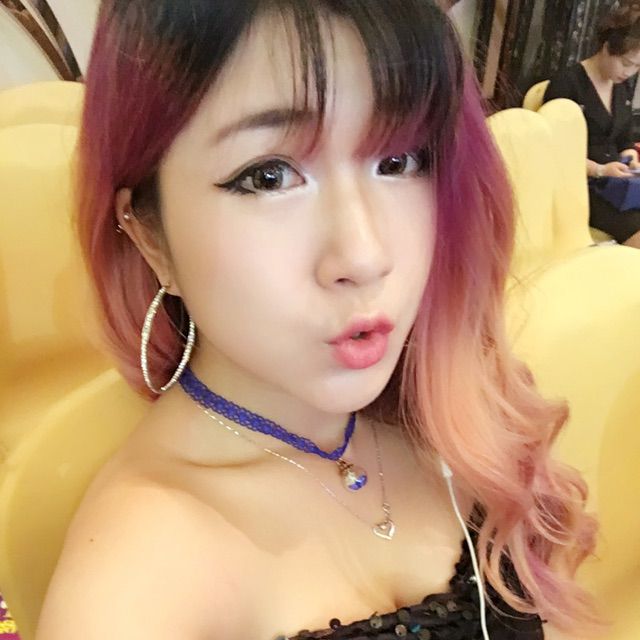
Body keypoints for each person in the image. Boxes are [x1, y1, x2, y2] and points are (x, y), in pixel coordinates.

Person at [36, 2, 599, 639]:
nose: (365, 256)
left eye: (400, 161)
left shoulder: (442, 418)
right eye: (269, 176)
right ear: (149, 234)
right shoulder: (132, 589)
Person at [543, 2, 640, 248]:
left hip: (617, 186)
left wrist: (630, 157)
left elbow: (624, 139)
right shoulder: (567, 84)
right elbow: (553, 152)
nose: (629, 72)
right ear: (606, 47)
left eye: (637, 66)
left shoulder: (621, 87)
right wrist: (600, 169)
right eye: (626, 63)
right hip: (582, 188)